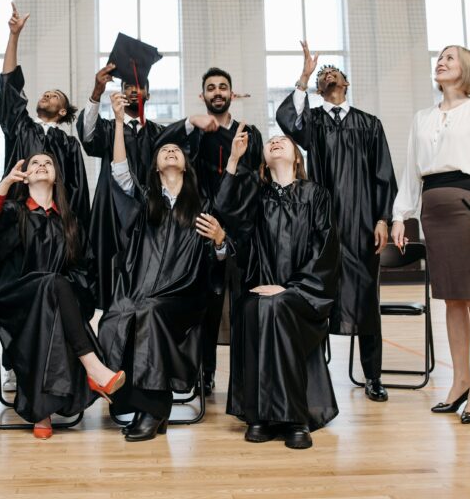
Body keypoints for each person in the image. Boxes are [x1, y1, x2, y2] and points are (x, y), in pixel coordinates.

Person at [97, 92, 228, 441]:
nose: (170, 151)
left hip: (184, 296)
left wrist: (219, 241)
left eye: (177, 151)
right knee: (117, 315)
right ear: (155, 165)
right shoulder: (146, 201)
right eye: (163, 150)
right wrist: (120, 121)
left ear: (186, 164)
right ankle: (135, 401)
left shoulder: (203, 203)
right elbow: (119, 171)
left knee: (150, 311)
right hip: (143, 291)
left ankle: (153, 410)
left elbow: (220, 261)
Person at [276, 41, 397, 402]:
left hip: (361, 224)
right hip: (324, 224)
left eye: (335, 71)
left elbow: (383, 174)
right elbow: (287, 120)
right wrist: (304, 76)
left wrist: (382, 218)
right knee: (318, 294)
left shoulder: (368, 124)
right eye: (323, 74)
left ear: (346, 83)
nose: (329, 73)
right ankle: (315, 376)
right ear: (318, 89)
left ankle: (372, 376)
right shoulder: (312, 122)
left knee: (366, 301)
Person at [391, 45, 470, 424]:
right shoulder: (422, 117)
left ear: (466, 68)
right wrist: (399, 215)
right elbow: (410, 171)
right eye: (439, 58)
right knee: (451, 300)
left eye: (450, 58)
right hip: (432, 210)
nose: (441, 62)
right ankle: (459, 381)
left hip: (467, 208)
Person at [0, 153, 124, 439]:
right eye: (34, 164)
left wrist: (68, 292)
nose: (41, 166)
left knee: (55, 295)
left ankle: (41, 412)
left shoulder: (70, 222)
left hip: (59, 303)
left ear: (56, 176)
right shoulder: (13, 211)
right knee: (54, 285)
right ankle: (93, 368)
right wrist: (6, 182)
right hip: (17, 299)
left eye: (48, 163)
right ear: (26, 176)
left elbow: (84, 270)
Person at [217, 131, 339, 450]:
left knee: (276, 306)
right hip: (259, 289)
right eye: (270, 142)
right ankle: (265, 416)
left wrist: (290, 288)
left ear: (297, 157)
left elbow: (324, 250)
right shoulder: (256, 196)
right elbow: (225, 213)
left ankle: (289, 418)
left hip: (305, 295)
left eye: (283, 141)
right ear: (263, 161)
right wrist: (233, 159)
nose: (275, 142)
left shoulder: (316, 195)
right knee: (258, 306)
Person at [160, 67, 264, 394]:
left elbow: (254, 181)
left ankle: (248, 375)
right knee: (208, 306)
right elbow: (159, 147)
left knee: (246, 304)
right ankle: (205, 373)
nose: (217, 92)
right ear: (202, 96)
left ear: (231, 94)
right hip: (205, 227)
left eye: (222, 87)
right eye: (210, 88)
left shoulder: (250, 134)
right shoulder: (194, 133)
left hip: (243, 228)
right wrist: (191, 121)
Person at [78, 63, 164, 310]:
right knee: (111, 280)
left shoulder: (159, 134)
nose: (134, 90)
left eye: (140, 86)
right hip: (111, 215)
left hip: (148, 218)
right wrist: (97, 92)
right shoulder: (107, 128)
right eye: (128, 86)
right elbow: (87, 135)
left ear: (148, 94)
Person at [0, 3, 90, 227]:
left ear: (63, 110)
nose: (47, 94)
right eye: (46, 93)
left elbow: (78, 194)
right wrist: (14, 36)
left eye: (55, 95)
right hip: (18, 216)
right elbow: (9, 86)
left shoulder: (69, 145)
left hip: (58, 222)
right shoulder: (22, 127)